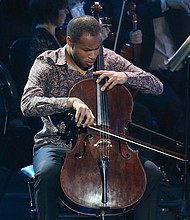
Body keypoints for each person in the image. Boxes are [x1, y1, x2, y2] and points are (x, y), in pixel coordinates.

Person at [21, 15, 163, 220]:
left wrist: (126, 77)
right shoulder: (48, 62)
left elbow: (157, 86)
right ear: (69, 42)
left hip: (111, 145)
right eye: (87, 50)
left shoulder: (108, 58)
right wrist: (70, 102)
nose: (93, 55)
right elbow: (28, 104)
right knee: (46, 173)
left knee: (152, 174)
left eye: (97, 48)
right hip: (57, 143)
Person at [102, 0, 190, 140]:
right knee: (172, 105)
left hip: (180, 65)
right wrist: (164, 4)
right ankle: (166, 154)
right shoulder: (133, 4)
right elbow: (121, 17)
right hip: (148, 72)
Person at [29, 0, 69, 66]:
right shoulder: (40, 40)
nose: (67, 12)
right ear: (51, 12)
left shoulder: (58, 33)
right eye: (63, 9)